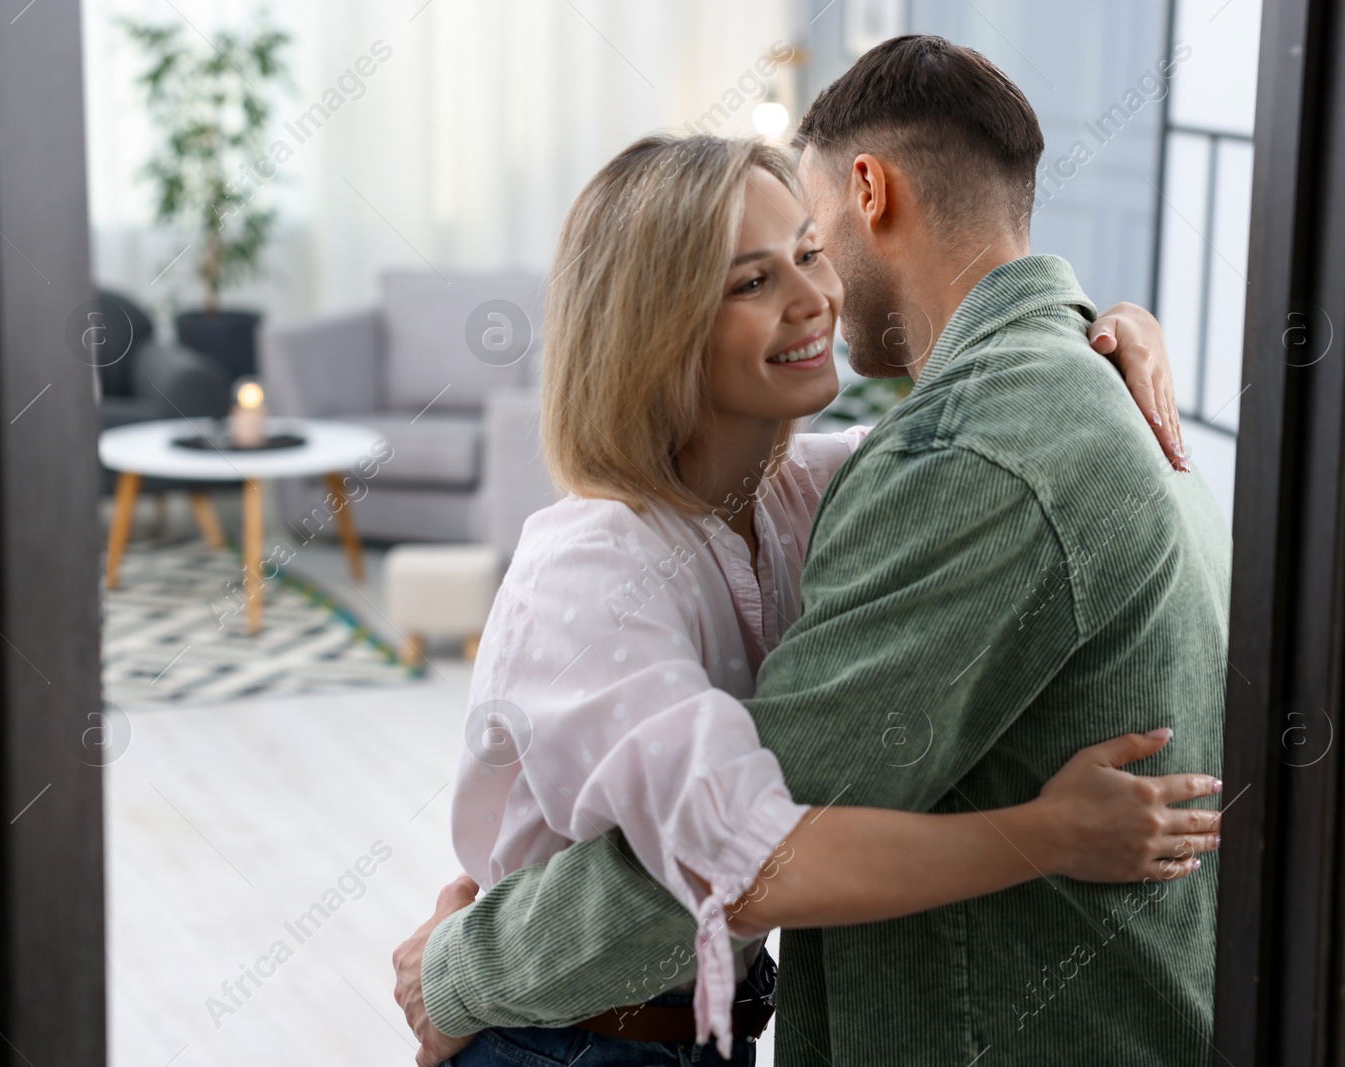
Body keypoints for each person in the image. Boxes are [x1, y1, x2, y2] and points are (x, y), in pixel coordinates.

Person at [397, 36, 1230, 1067]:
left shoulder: (812, 491)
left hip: (699, 1028)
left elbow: (999, 434)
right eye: (755, 277)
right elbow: (742, 866)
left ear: (863, 192)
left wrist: (1099, 329)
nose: (815, 294)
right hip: (565, 1041)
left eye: (806, 248)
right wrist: (1049, 832)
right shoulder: (590, 567)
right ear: (657, 326)